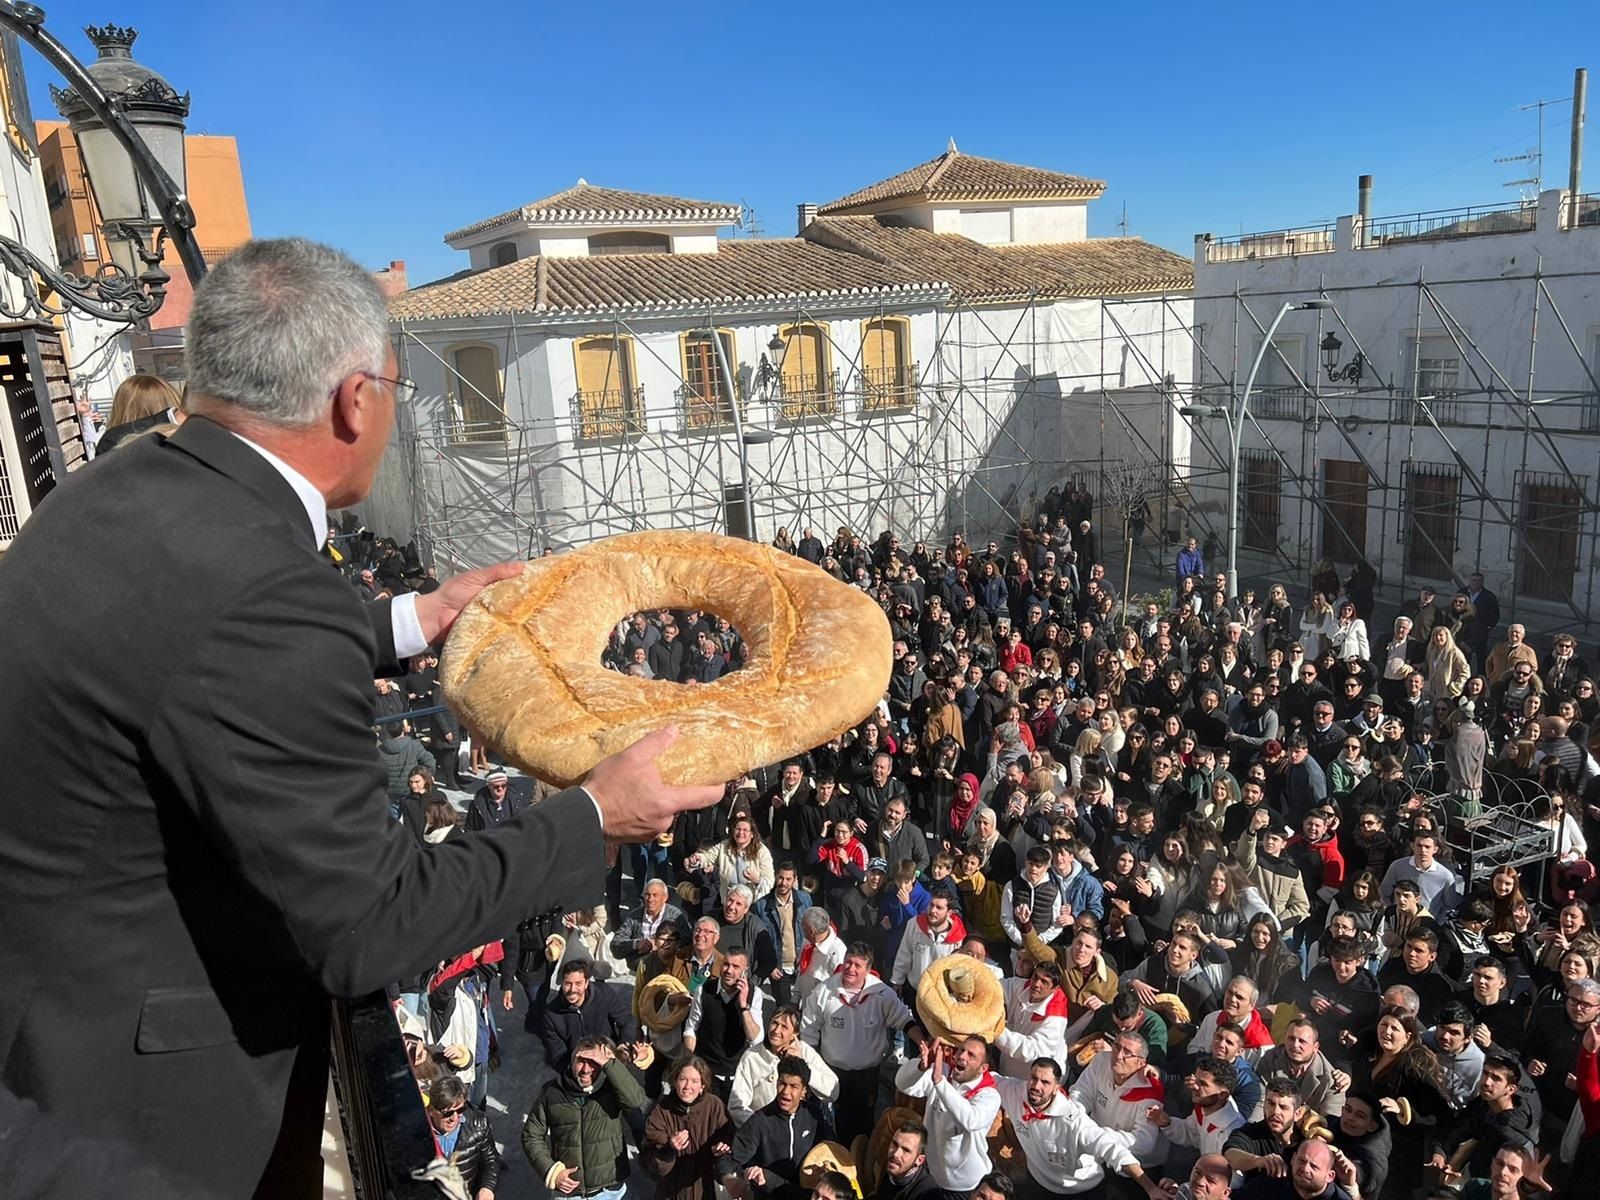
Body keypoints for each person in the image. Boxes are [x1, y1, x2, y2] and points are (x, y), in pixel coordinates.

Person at [0, 238, 724, 1196]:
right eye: (394, 384)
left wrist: (411, 621)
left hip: (44, 1022)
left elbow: (192, 644)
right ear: (354, 400)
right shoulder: (264, 592)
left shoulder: (121, 489)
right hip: (131, 1131)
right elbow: (372, 921)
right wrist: (590, 817)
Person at [993, 1055, 1168, 1197]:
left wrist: (1151, 1189)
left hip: (1081, 1190)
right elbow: (988, 1078)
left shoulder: (1075, 1122)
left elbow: (1115, 1152)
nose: (1036, 1086)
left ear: (1056, 1087)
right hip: (1038, 1183)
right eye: (1033, 1078)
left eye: (1045, 1082)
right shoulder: (1016, 1091)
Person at [521, 1035, 648, 1200]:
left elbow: (635, 1100)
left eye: (593, 1062)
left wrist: (611, 1065)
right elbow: (531, 1136)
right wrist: (551, 1171)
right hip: (569, 1194)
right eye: (581, 1061)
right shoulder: (551, 1092)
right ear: (572, 1061)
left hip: (612, 1191)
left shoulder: (612, 1088)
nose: (586, 1069)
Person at [893, 1036, 1001, 1195]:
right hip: (931, 1176)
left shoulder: (989, 1095)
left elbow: (970, 1120)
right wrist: (921, 1067)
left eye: (971, 1055)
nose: (962, 1056)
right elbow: (902, 1084)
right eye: (961, 1050)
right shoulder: (942, 1070)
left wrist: (940, 1083)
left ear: (983, 1068)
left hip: (967, 1185)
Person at [717, 1055, 820, 1200]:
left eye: (793, 1086)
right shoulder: (760, 1121)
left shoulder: (813, 1115)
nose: (785, 1091)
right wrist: (729, 1180)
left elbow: (831, 1148)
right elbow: (728, 1159)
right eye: (782, 1083)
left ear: (804, 1091)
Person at [728, 1004, 839, 1126]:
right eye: (774, 1023)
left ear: (795, 1033)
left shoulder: (804, 1052)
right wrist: (761, 1126)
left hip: (798, 1126)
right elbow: (736, 1106)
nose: (776, 1031)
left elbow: (833, 1091)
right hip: (764, 1127)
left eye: (784, 1027)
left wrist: (803, 1065)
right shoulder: (752, 1056)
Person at [644, 1056, 736, 1200]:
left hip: (706, 1191)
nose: (687, 1086)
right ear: (675, 1081)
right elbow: (654, 1165)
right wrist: (669, 1149)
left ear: (702, 1086)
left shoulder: (715, 1106)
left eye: (694, 1081)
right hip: (671, 1192)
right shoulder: (661, 1111)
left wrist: (720, 1150)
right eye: (683, 1079)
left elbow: (730, 1144)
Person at [425, 1073, 502, 1199]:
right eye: (447, 1113)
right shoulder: (416, 1134)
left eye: (460, 1110)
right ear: (431, 1110)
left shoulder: (478, 1123)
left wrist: (487, 1187)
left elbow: (491, 1159)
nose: (454, 1118)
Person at [874, 1120, 940, 1200]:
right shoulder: (890, 1169)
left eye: (906, 1150)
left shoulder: (928, 1192)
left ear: (919, 1160)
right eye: (894, 1144)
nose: (896, 1154)